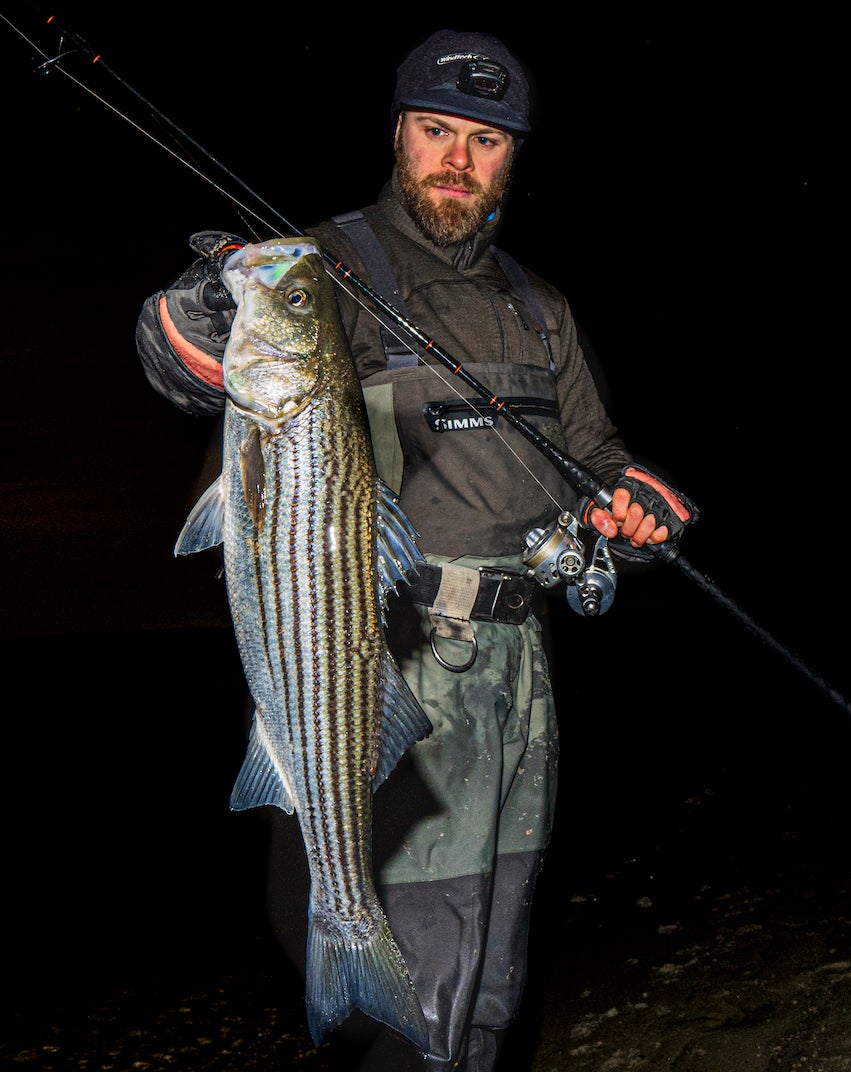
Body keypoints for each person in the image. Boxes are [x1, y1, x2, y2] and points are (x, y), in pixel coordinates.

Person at [135, 29, 696, 1072]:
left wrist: (637, 505)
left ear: (513, 157)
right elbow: (186, 355)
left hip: (518, 682)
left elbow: (598, 457)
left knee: (490, 975)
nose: (456, 159)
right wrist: (203, 313)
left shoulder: (542, 306)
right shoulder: (325, 267)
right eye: (436, 131)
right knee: (407, 1013)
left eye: (484, 142)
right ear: (398, 133)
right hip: (378, 657)